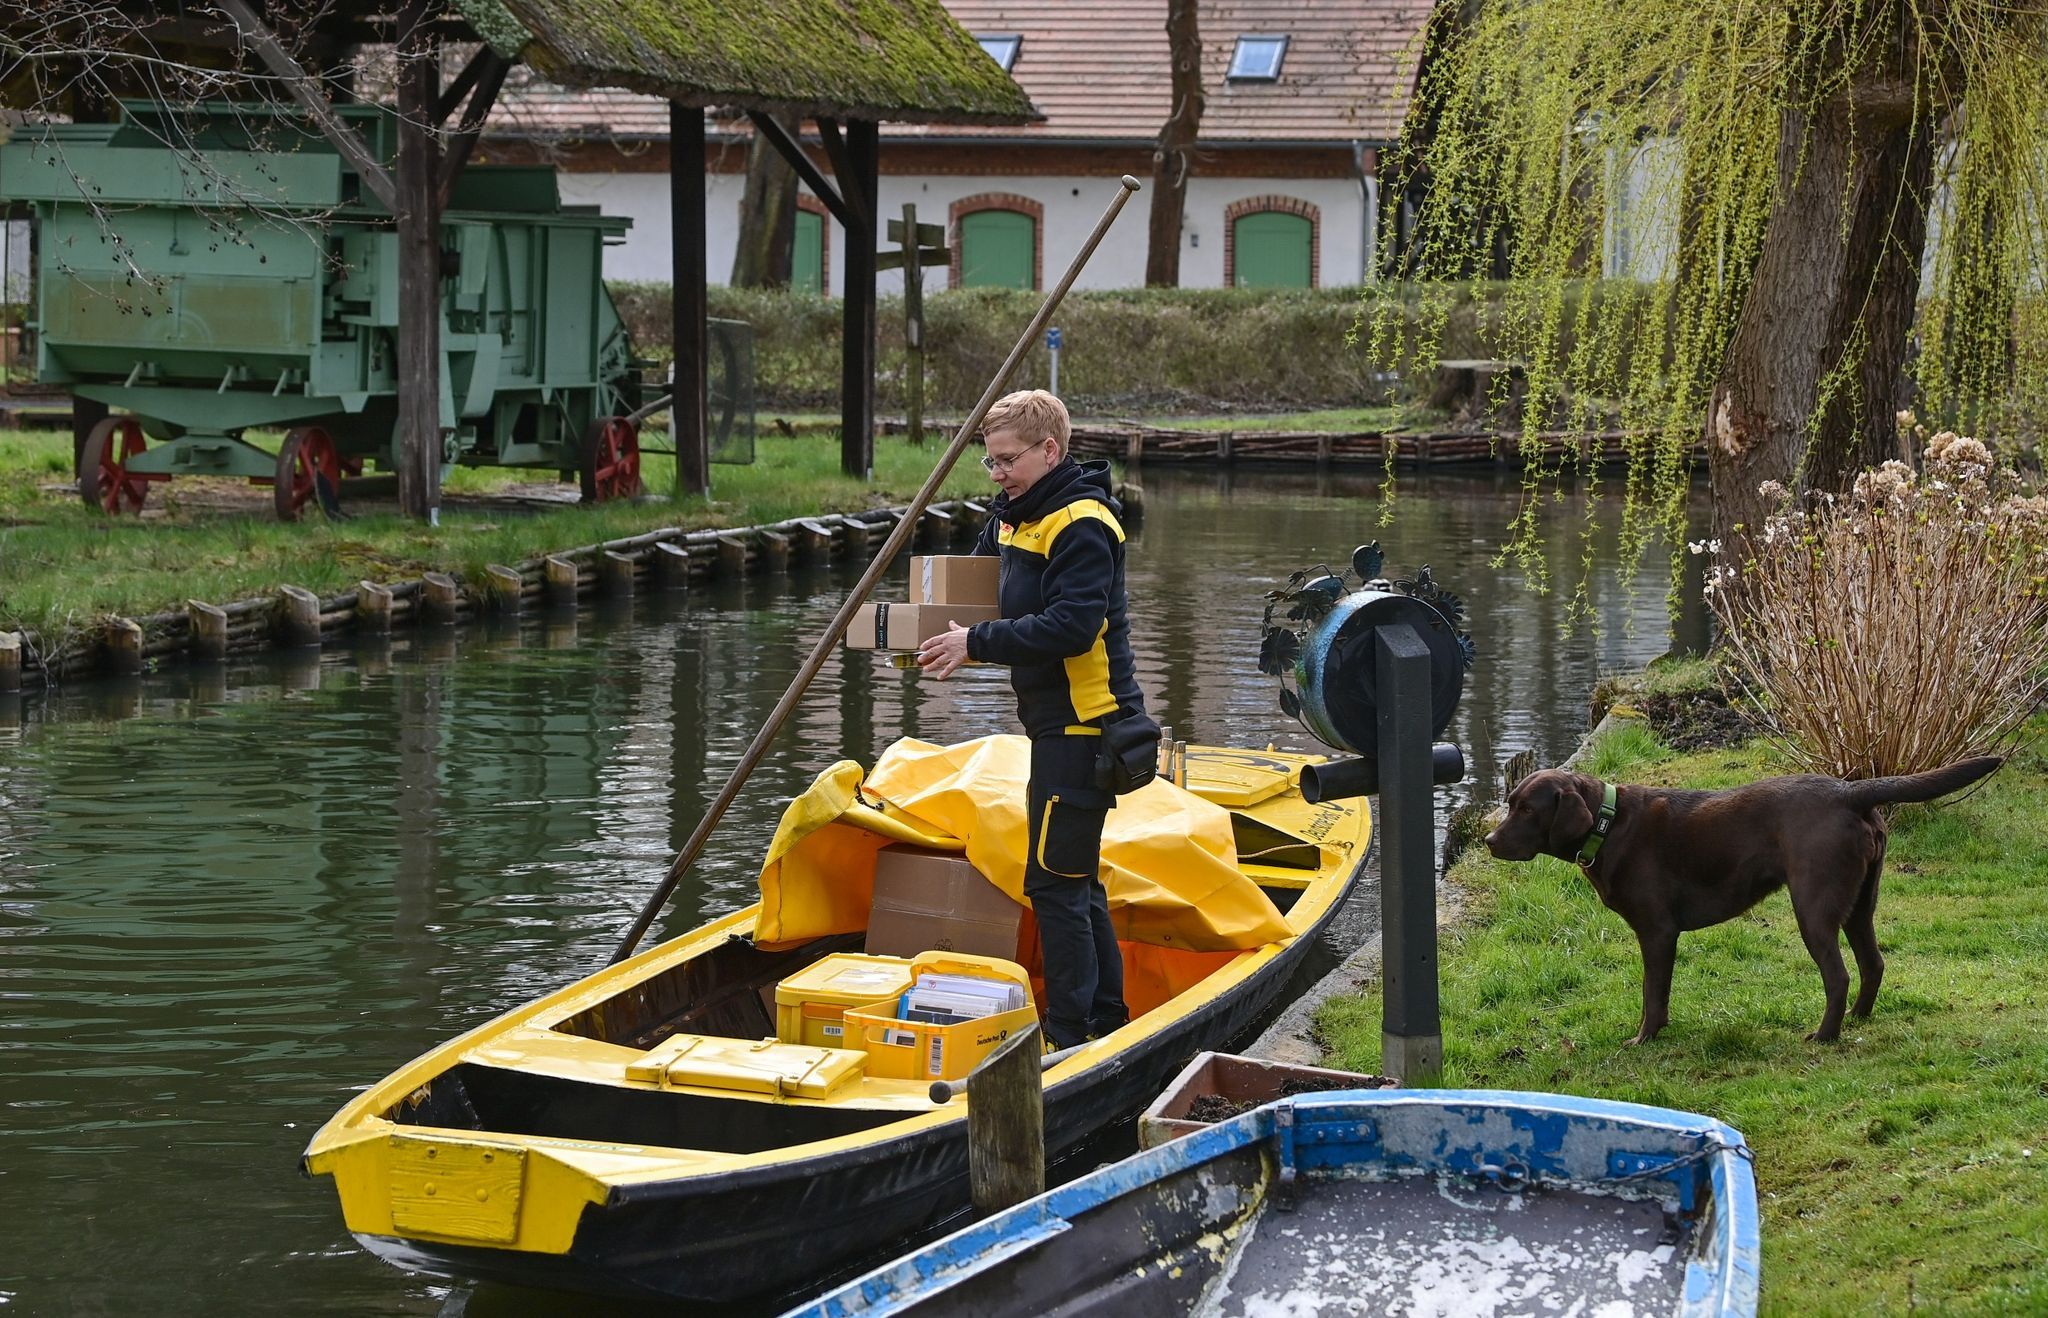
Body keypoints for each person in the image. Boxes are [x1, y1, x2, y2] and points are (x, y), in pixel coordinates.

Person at [916, 389, 1145, 1052]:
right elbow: (978, 582)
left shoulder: (1080, 524)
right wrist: (920, 628)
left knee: (1054, 882)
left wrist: (975, 643)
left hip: (1087, 725)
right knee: (1075, 876)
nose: (999, 475)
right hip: (1052, 723)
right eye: (989, 463)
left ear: (1052, 449)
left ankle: (1071, 1040)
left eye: (1009, 460)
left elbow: (1074, 628)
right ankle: (1107, 1015)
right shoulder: (1017, 514)